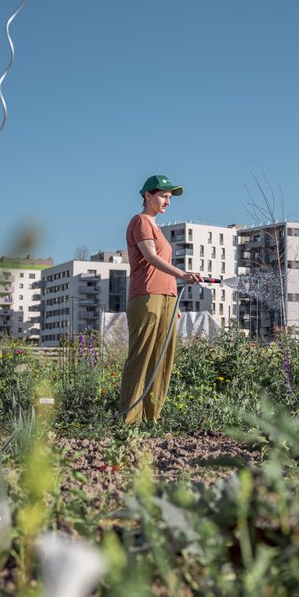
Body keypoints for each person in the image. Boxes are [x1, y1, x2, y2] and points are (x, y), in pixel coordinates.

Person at [118, 174, 202, 424]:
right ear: (147, 196)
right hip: (146, 296)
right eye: (163, 196)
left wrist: (173, 298)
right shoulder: (141, 222)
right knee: (142, 357)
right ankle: (129, 419)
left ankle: (151, 418)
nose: (167, 201)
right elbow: (151, 257)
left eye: (169, 197)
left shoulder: (157, 228)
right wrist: (182, 274)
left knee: (162, 360)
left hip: (166, 298)